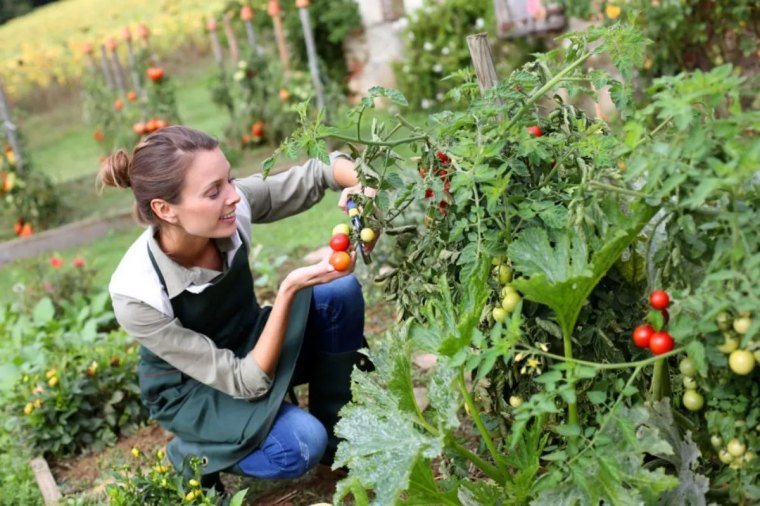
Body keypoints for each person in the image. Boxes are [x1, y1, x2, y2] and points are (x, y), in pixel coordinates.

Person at [99, 125, 376, 487]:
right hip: (194, 389)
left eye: (228, 180)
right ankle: (191, 455)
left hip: (251, 342)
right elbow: (246, 381)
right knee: (299, 445)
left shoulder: (229, 210)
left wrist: (363, 185)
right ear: (165, 209)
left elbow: (318, 173)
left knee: (337, 291)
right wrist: (290, 288)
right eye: (214, 191)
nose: (233, 196)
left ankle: (338, 447)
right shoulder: (137, 292)